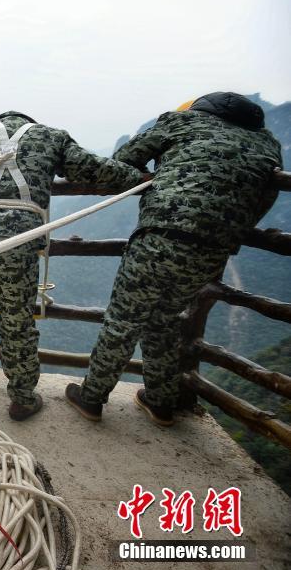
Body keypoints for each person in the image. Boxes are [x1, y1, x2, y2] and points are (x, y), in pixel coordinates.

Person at [66, 92, 283, 426]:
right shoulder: (267, 145)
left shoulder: (182, 120)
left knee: (123, 320)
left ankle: (92, 398)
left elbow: (124, 159)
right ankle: (160, 402)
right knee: (164, 320)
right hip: (212, 251)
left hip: (161, 236)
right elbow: (265, 197)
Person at [0, 112, 146, 420]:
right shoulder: (52, 136)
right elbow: (92, 168)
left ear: (0, 120)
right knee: (17, 323)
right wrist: (139, 178)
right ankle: (22, 399)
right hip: (20, 240)